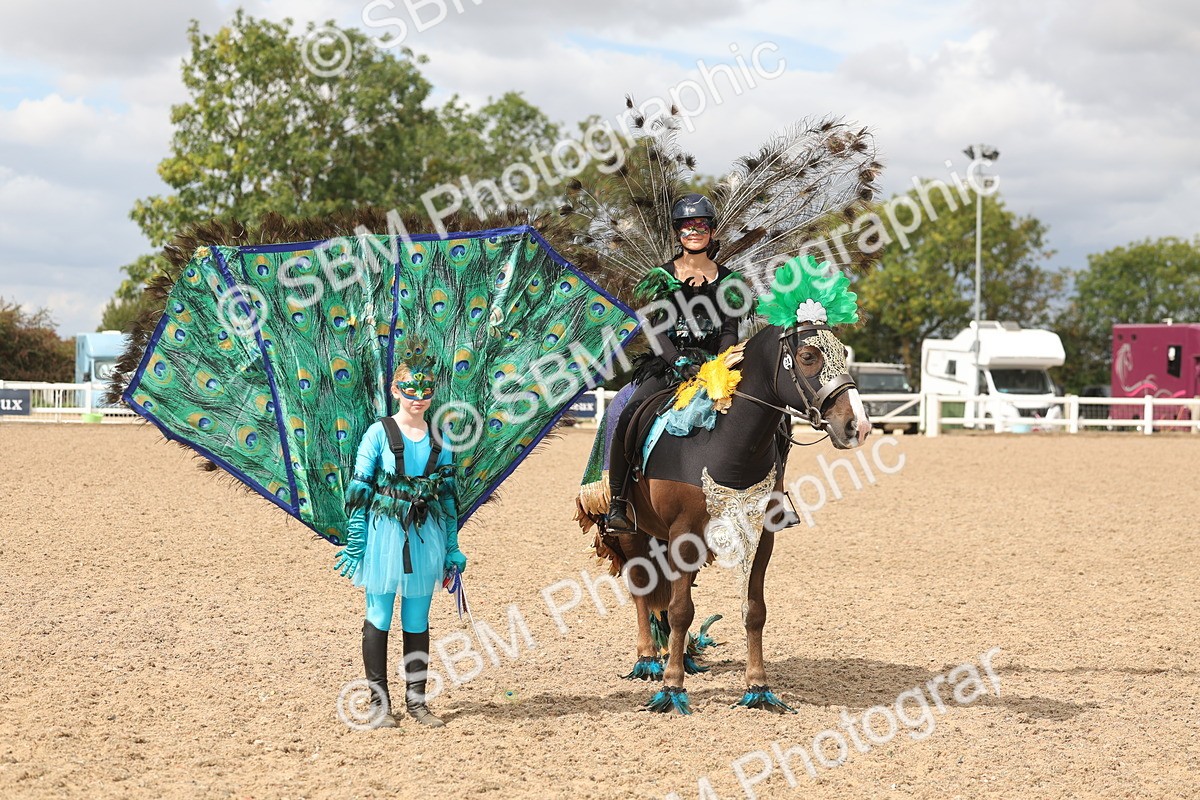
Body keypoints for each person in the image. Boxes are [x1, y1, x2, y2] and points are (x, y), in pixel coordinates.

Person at [334, 341, 468, 729]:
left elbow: (446, 500)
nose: (419, 399)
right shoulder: (377, 433)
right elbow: (359, 491)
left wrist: (453, 548)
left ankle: (417, 702)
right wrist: (356, 543)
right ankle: (378, 702)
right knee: (378, 614)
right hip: (382, 536)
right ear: (395, 391)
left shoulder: (441, 440)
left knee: (417, 618)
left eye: (427, 393)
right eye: (410, 391)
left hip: (426, 538)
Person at [606, 193, 749, 531]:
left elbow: (730, 328)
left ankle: (770, 495)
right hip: (668, 365)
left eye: (700, 225)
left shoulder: (729, 282)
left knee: (761, 410)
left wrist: (720, 363)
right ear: (677, 233)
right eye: (686, 226)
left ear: (711, 231)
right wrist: (677, 361)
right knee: (626, 412)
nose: (693, 231)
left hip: (716, 366)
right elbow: (655, 329)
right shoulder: (661, 277)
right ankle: (618, 502)